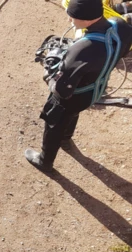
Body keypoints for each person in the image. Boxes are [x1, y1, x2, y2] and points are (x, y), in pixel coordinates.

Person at [25, 0, 132, 172]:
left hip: (75, 95)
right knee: (73, 112)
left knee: (55, 121)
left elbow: (61, 90)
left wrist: (48, 72)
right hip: (95, 89)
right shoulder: (120, 25)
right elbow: (121, 51)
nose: (69, 20)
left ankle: (44, 161)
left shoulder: (81, 49)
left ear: (88, 20)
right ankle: (66, 139)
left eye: (73, 17)